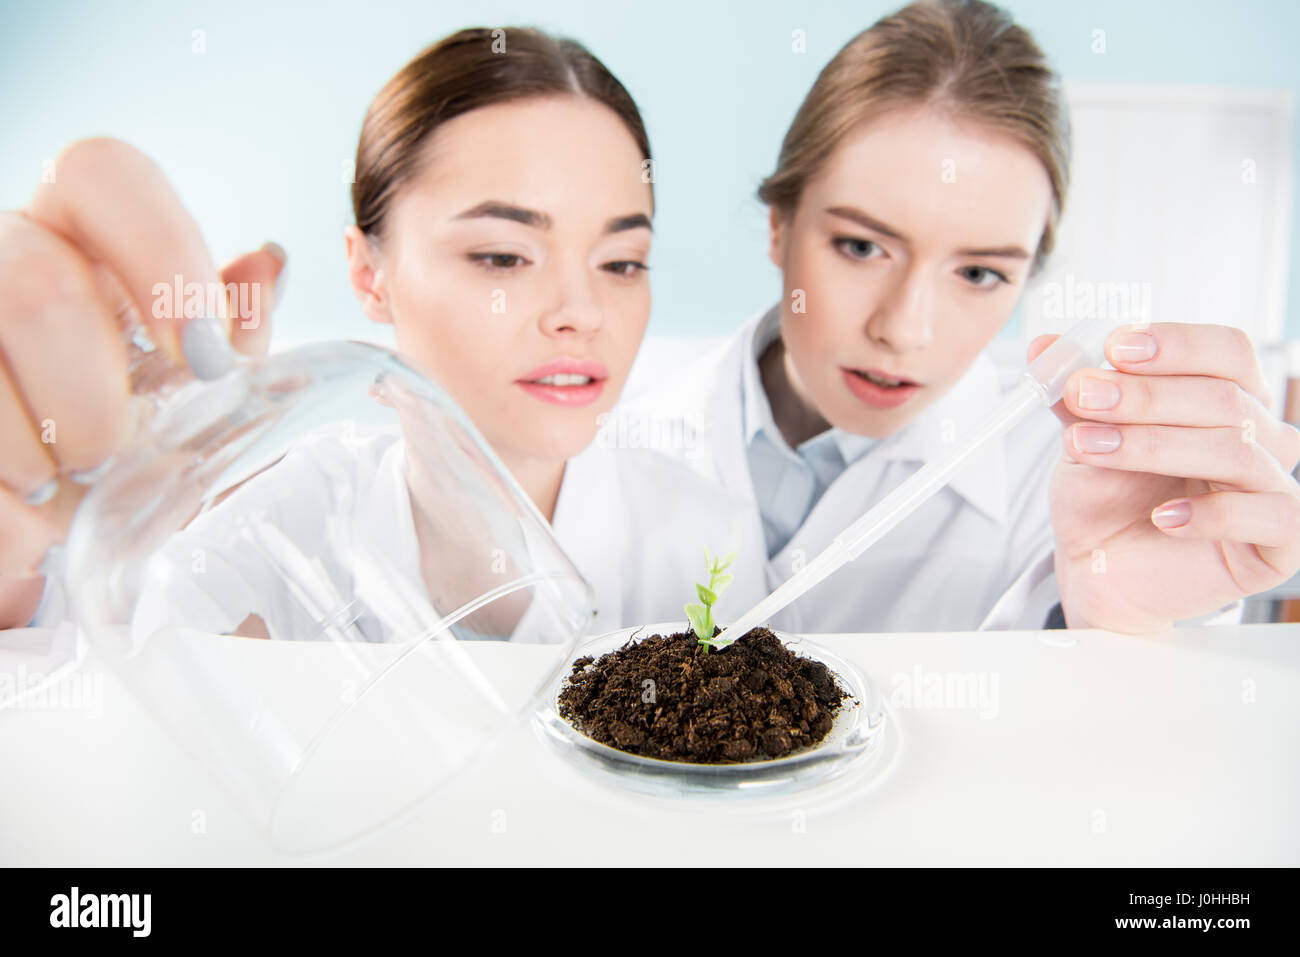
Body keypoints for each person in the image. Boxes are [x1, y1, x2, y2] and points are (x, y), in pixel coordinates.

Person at [606, 0, 1300, 635]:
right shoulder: (607, 434)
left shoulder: (1078, 481)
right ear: (780, 227)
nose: (905, 329)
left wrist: (1122, 625)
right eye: (861, 246)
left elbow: (1139, 752)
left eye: (978, 273)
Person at [1, 26, 681, 636]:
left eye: (621, 263)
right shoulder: (269, 530)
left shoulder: (717, 539)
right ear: (368, 274)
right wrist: (40, 558)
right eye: (502, 256)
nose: (581, 311)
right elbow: (80, 670)